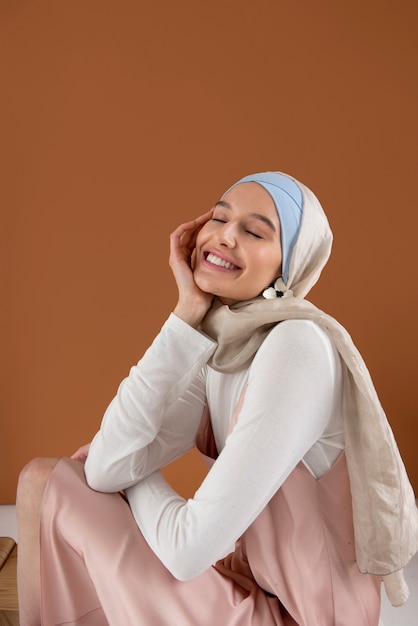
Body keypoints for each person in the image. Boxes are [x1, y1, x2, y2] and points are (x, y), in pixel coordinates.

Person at [16, 172, 418, 626]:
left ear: (290, 268)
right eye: (220, 218)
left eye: (254, 231)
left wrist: (138, 479)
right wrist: (184, 317)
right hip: (246, 594)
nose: (225, 235)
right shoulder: (225, 341)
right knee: (41, 482)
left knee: (48, 484)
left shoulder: (297, 346)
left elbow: (186, 552)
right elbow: (106, 467)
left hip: (299, 618)